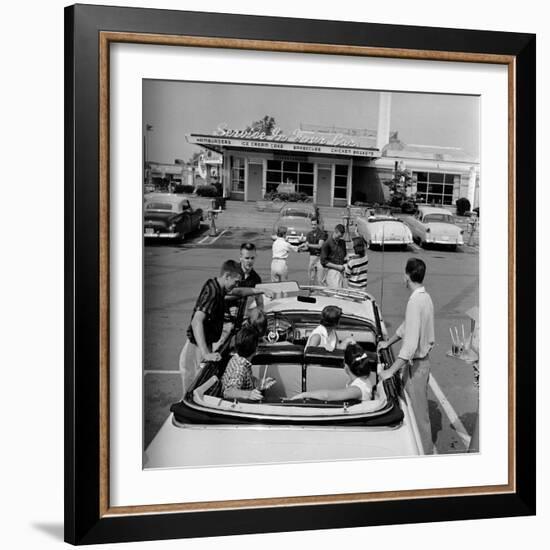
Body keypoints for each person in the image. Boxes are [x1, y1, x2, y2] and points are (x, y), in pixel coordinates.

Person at [377, 257, 435, 454]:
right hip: (420, 363)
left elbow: (409, 346)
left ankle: (424, 455)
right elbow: (406, 326)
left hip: (416, 366)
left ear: (406, 276)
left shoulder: (414, 302)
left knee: (419, 417)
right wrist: (389, 342)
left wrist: (390, 371)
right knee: (413, 411)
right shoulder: (424, 298)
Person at [178, 260, 242, 396]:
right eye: (235, 281)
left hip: (204, 344)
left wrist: (260, 290)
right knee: (192, 387)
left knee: (200, 383)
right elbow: (197, 321)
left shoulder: (219, 287)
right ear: (227, 276)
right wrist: (206, 353)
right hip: (196, 346)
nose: (236, 285)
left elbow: (239, 291)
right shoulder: (212, 292)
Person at [290, 342, 377, 402]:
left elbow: (327, 396)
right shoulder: (366, 378)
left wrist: (303, 395)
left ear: (345, 366)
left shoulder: (357, 390)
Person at [221, 326, 276, 401]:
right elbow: (228, 392)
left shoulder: (236, 359)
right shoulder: (240, 368)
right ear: (256, 349)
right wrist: (248, 394)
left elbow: (245, 380)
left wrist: (260, 383)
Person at [320, 224, 347, 288]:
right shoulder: (327, 244)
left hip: (342, 271)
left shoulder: (342, 242)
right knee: (335, 293)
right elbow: (323, 262)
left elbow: (344, 256)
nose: (339, 238)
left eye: (341, 237)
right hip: (332, 271)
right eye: (339, 236)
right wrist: (337, 267)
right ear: (335, 232)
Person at [305, 217, 327, 285]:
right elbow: (307, 247)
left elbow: (320, 246)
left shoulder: (322, 234)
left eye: (314, 224)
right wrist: (300, 248)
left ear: (317, 224)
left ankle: (321, 293)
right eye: (312, 224)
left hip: (320, 258)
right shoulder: (309, 234)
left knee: (320, 279)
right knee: (311, 278)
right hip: (312, 257)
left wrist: (308, 245)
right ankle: (310, 293)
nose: (313, 226)